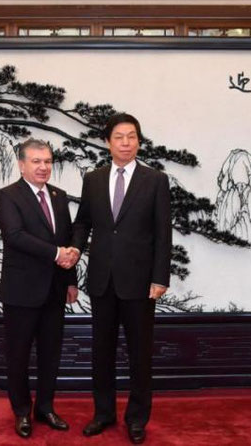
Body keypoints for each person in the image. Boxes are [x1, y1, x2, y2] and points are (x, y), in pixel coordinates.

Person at [71, 113, 172, 444]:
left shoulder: (155, 180)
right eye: (119, 137)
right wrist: (75, 248)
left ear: (139, 141)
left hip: (140, 283)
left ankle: (137, 418)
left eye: (131, 136)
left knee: (140, 354)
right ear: (107, 142)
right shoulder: (93, 179)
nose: (126, 143)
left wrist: (160, 277)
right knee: (102, 352)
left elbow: (163, 233)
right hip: (102, 280)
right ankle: (103, 414)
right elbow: (83, 222)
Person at [0, 138, 80, 439]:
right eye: (36, 161)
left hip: (55, 290)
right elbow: (15, 235)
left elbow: (66, 238)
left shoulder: (59, 196)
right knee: (18, 355)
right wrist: (57, 254)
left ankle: (45, 408)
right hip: (21, 291)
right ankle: (21, 411)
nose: (43, 167)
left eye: (47, 161)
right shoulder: (7, 196)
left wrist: (71, 280)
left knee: (50, 354)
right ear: (21, 165)